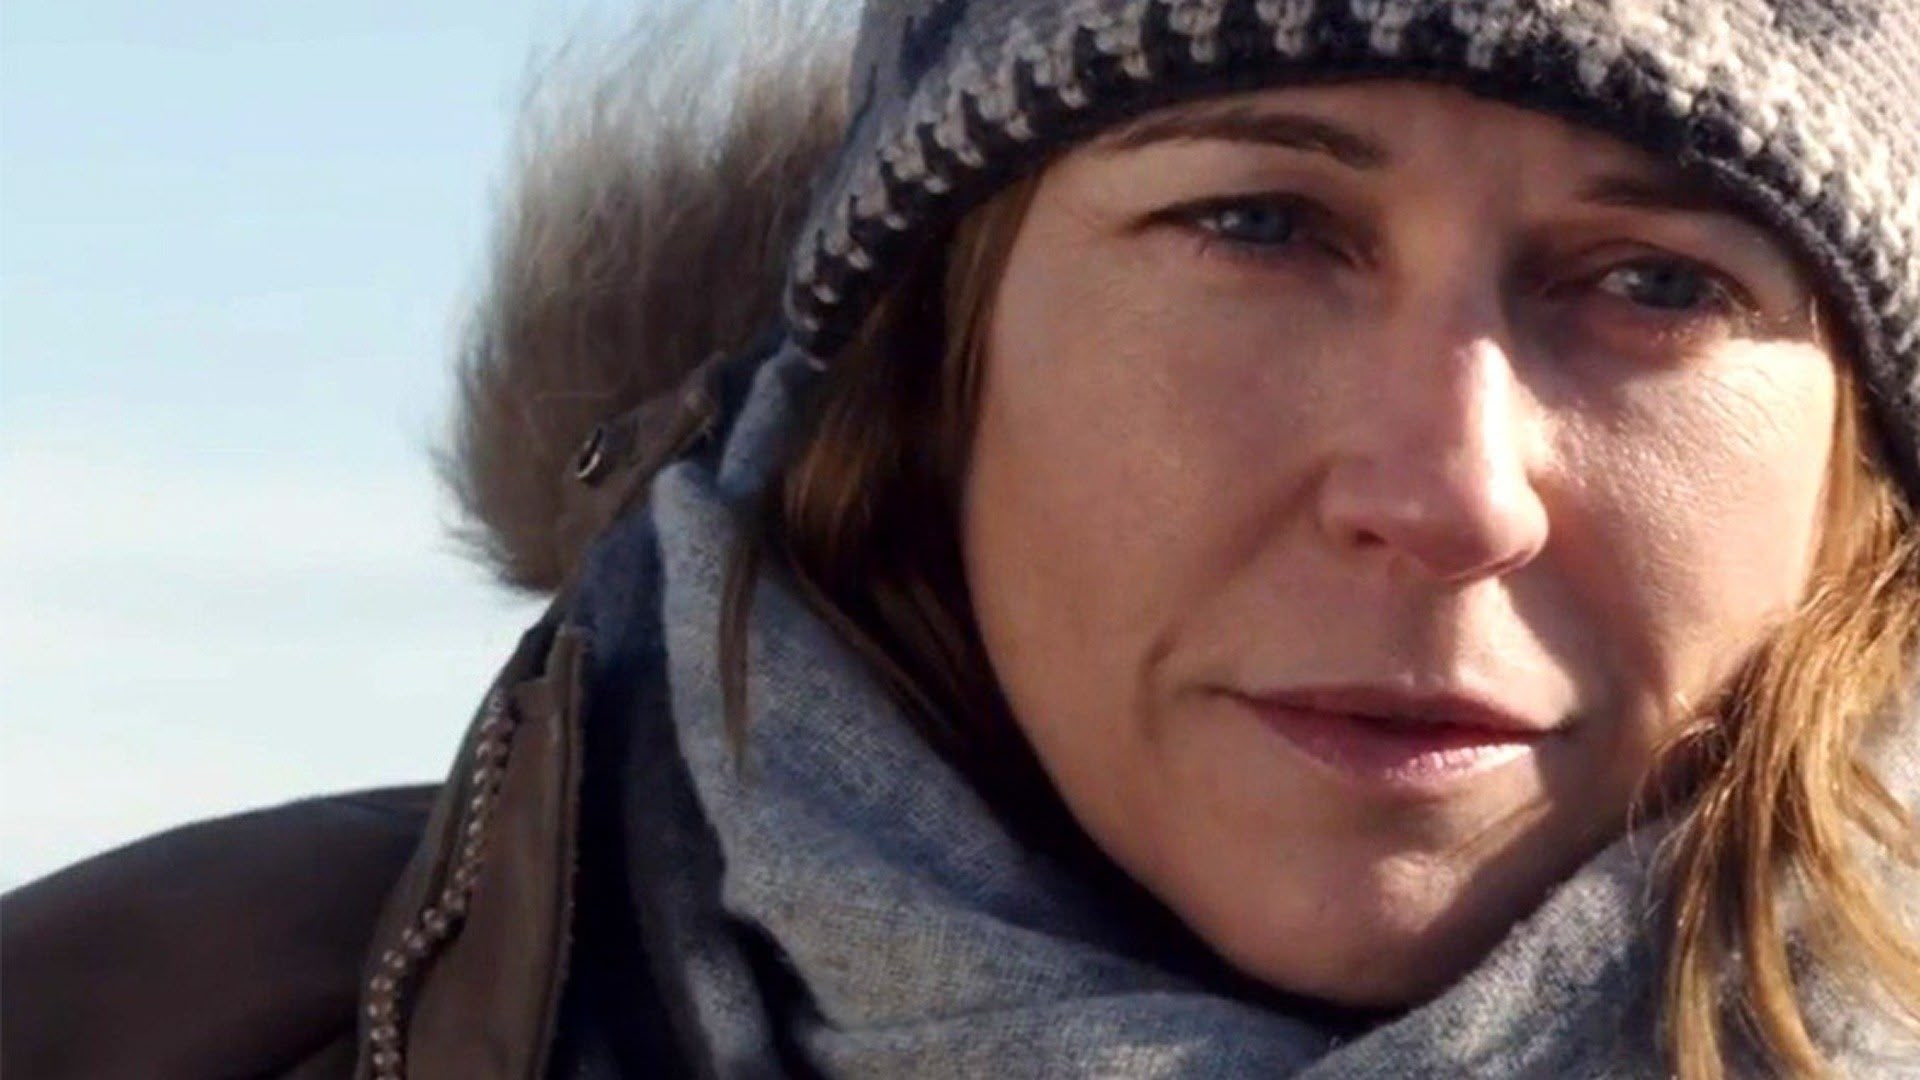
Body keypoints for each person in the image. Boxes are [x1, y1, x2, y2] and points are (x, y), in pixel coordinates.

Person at [6, 0, 1919, 1076]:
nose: (1444, 494)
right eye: (1259, 227)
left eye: (1658, 279)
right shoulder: (135, 1028)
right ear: (939, 364)